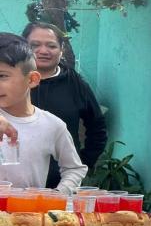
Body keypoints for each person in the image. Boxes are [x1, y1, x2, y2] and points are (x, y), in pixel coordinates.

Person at [0, 33, 87, 194]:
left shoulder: (52, 125)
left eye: (2, 76)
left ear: (32, 79)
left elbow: (74, 169)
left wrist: (57, 197)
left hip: (27, 215)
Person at [22, 22, 107, 184]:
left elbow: (97, 126)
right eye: (35, 45)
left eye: (51, 46)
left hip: (61, 184)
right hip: (13, 183)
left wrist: (83, 164)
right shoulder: (10, 81)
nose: (43, 51)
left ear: (61, 50)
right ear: (23, 48)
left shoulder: (75, 83)